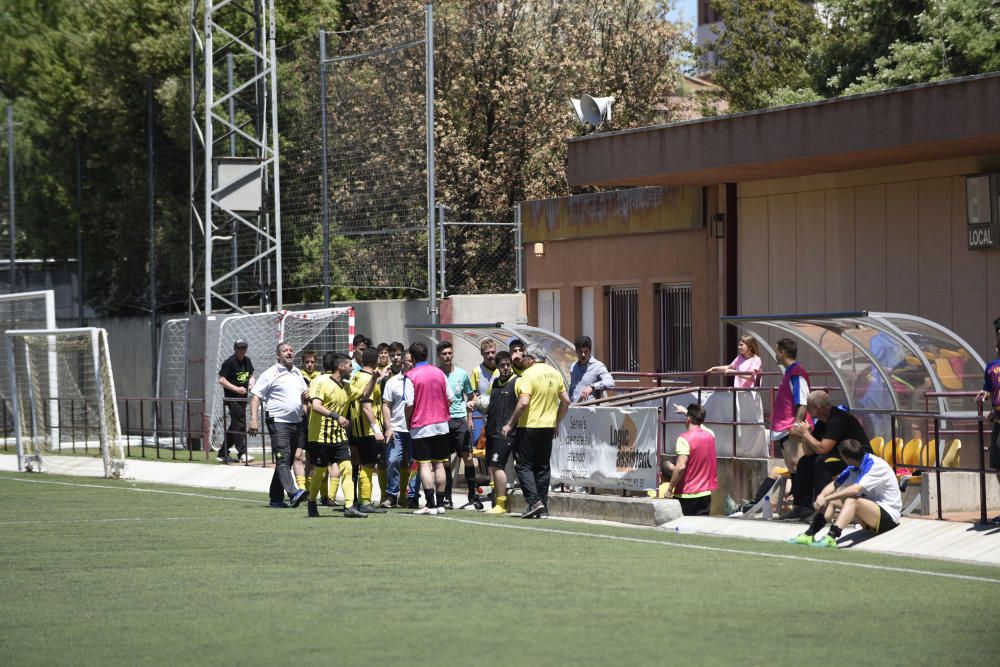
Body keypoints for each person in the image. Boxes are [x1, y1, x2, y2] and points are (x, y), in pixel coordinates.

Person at [788, 439, 902, 547]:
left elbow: (855, 490)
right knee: (833, 500)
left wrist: (826, 498)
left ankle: (831, 538)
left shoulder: (875, 465)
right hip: (871, 514)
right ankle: (809, 535)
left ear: (846, 458)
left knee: (851, 500)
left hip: (889, 517)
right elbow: (834, 484)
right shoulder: (854, 465)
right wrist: (822, 496)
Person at [502, 343, 570, 519]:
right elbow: (566, 400)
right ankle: (543, 507)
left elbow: (524, 401)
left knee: (523, 465)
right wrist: (556, 421)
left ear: (531, 359)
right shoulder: (555, 373)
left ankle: (534, 502)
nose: (522, 359)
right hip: (548, 427)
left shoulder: (528, 374)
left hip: (529, 426)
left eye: (524, 357)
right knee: (542, 467)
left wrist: (510, 424)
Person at [305, 352, 372, 518]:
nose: (352, 368)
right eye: (350, 365)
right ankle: (312, 501)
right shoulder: (321, 382)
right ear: (341, 366)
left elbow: (365, 394)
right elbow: (316, 406)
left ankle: (349, 506)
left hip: (339, 437)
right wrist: (337, 416)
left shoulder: (347, 386)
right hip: (320, 436)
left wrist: (375, 378)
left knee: (347, 468)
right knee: (320, 472)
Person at [787, 390, 871, 520]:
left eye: (808, 406)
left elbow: (822, 450)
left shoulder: (837, 419)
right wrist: (804, 435)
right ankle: (802, 506)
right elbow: (809, 452)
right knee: (805, 461)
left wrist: (805, 434)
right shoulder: (822, 421)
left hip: (858, 459)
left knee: (823, 462)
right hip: (841, 456)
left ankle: (820, 509)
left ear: (817, 407)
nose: (807, 410)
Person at [248, 342, 309, 508]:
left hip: (296, 421)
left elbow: (304, 397)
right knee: (283, 458)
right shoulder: (270, 373)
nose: (289, 353)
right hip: (278, 421)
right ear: (278, 355)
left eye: (291, 350)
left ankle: (276, 498)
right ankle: (293, 493)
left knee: (287, 460)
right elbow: (255, 397)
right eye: (285, 351)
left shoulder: (297, 373)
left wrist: (307, 400)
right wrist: (253, 419)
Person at [405, 341, 452, 515]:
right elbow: (451, 398)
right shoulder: (439, 372)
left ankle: (430, 504)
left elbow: (409, 403)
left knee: (424, 465)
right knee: (439, 464)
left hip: (421, 425)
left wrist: (408, 419)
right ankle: (441, 504)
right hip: (441, 425)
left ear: (411, 356)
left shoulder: (410, 375)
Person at [348, 347, 391, 513]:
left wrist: (380, 378)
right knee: (368, 465)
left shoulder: (357, 376)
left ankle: (360, 499)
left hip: (357, 429)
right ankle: (365, 501)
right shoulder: (367, 379)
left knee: (362, 464)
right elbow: (366, 405)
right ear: (375, 361)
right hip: (368, 430)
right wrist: (376, 428)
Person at [770, 338, 810, 515]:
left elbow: (803, 402)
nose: (775, 354)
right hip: (783, 429)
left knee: (798, 465)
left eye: (777, 351)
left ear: (783, 352)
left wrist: (796, 425)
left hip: (791, 428)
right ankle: (799, 505)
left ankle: (804, 505)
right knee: (793, 467)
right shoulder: (789, 372)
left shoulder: (797, 373)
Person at [437, 340, 478, 510]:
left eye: (449, 353)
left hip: (460, 420)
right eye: (444, 354)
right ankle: (447, 498)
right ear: (439, 356)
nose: (447, 356)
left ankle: (473, 495)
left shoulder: (461, 374)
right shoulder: (436, 374)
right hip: (443, 421)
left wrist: (470, 411)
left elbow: (471, 396)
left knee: (468, 458)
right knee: (445, 461)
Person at [479, 350, 519, 514]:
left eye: (508, 365)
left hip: (507, 432)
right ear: (497, 367)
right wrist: (477, 405)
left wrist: (510, 425)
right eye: (502, 365)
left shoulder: (517, 382)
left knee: (497, 466)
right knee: (492, 466)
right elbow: (487, 404)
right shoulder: (494, 383)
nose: (506, 368)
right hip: (492, 431)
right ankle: (496, 499)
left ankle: (501, 504)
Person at [663, 403, 717, 516]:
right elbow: (701, 425)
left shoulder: (683, 439)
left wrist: (669, 489)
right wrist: (686, 412)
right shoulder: (710, 435)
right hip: (705, 494)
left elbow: (681, 466)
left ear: (688, 419)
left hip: (686, 494)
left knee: (683, 529)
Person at [380, 343, 413, 508]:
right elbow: (386, 405)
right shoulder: (392, 381)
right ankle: (391, 495)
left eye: (409, 360)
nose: (407, 363)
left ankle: (411, 496)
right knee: (393, 460)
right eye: (406, 360)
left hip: (416, 429)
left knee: (416, 464)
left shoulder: (418, 379)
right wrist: (389, 427)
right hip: (397, 428)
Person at [217, 339, 255, 464]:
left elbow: (251, 375)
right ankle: (242, 453)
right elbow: (222, 380)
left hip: (242, 399)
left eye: (244, 347)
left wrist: (251, 384)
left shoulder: (247, 361)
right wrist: (236, 389)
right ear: (235, 349)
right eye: (240, 348)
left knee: (235, 425)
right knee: (240, 424)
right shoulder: (229, 362)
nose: (242, 350)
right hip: (232, 398)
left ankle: (222, 453)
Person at [977, 334, 1000, 524]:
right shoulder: (991, 367)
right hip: (998, 422)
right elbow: (989, 389)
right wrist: (985, 393)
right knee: (997, 465)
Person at [568, 335, 615, 403]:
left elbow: (610, 382)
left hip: (589, 410)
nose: (583, 355)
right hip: (573, 409)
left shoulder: (598, 366)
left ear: (590, 350)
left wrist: (592, 387)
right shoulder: (573, 366)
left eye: (585, 351)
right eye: (580, 351)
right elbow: (571, 390)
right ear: (576, 351)